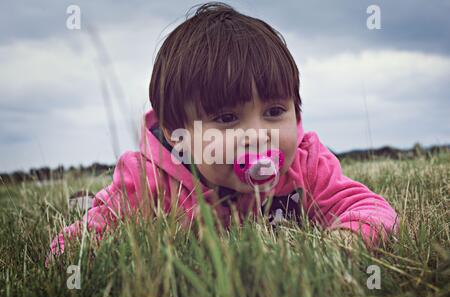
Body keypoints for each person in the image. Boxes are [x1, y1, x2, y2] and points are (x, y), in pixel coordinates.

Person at [46, 2, 398, 266]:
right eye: (228, 118)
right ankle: (82, 199)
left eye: (275, 112)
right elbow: (75, 246)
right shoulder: (148, 181)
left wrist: (335, 246)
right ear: (177, 134)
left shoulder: (305, 164)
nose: (259, 135)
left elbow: (373, 210)